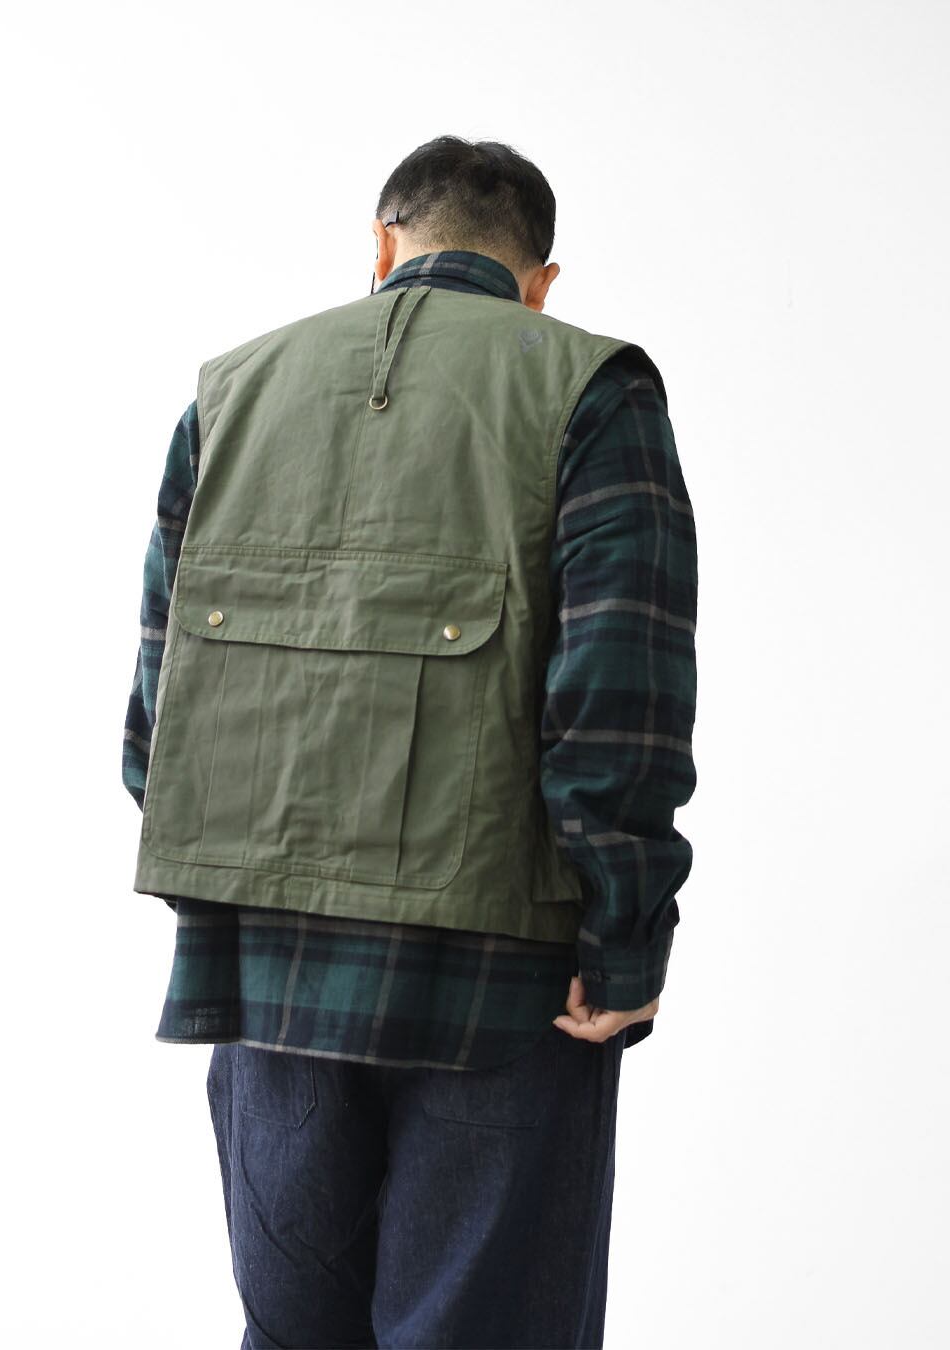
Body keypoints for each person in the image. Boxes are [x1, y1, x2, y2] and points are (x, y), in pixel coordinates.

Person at [122, 134, 698, 1349]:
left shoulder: (227, 393)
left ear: (382, 247)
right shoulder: (592, 391)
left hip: (262, 970)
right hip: (505, 983)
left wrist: (244, 896)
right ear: (541, 282)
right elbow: (620, 692)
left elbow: (157, 719)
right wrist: (625, 938)